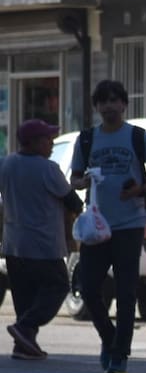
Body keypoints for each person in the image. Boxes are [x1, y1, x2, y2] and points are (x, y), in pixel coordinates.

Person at [69, 80, 146, 373]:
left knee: (126, 293)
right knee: (88, 288)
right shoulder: (86, 140)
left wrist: (141, 189)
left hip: (130, 224)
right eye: (104, 101)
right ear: (96, 107)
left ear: (124, 105)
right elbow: (74, 178)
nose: (110, 106)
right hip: (97, 226)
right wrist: (84, 181)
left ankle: (120, 356)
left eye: (115, 101)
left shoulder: (139, 138)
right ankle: (109, 338)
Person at [1, 119, 82, 360]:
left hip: (14, 244)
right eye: (48, 139)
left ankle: (24, 345)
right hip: (44, 245)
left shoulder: (6, 164)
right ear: (35, 142)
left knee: (24, 298)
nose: (52, 143)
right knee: (58, 286)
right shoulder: (48, 169)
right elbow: (73, 202)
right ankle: (24, 329)